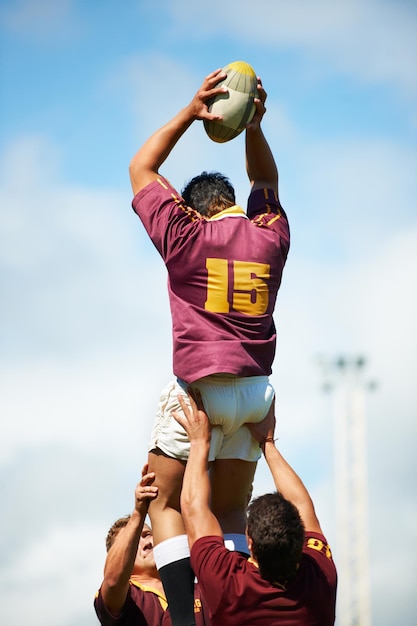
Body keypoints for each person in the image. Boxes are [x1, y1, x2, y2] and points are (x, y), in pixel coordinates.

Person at [129, 68, 290, 625]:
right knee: (229, 511)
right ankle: (233, 609)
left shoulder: (185, 235)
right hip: (255, 396)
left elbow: (142, 169)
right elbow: (267, 185)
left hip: (200, 392)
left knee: (164, 504)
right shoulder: (269, 237)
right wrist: (253, 126)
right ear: (232, 202)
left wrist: (190, 112)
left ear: (193, 208)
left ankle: (180, 616)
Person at [173, 391, 337, 625]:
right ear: (300, 540)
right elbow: (193, 508)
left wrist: (199, 442)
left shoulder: (228, 582)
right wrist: (267, 444)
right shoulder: (320, 578)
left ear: (249, 541)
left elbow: (193, 507)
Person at [94, 465, 208, 626]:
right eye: (134, 543)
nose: (146, 542)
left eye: (147, 534)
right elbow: (112, 582)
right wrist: (139, 513)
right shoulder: (129, 598)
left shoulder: (198, 588)